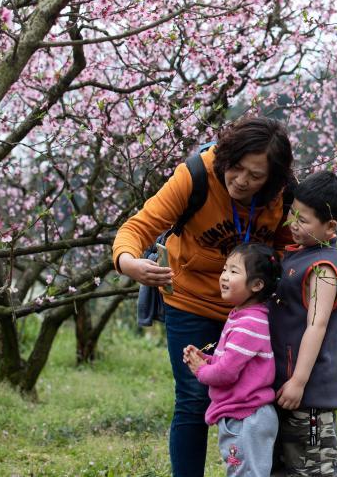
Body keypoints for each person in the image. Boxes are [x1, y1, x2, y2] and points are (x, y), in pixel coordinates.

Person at [112, 116, 294, 477]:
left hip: (253, 311)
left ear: (272, 179)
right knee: (194, 400)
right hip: (191, 302)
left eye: (255, 176)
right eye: (236, 168)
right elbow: (138, 227)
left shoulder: (282, 196)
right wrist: (128, 262)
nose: (241, 181)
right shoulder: (196, 176)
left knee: (260, 398)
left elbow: (290, 247)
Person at [268, 171, 337, 477]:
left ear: (330, 227)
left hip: (309, 396)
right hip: (285, 387)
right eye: (292, 213)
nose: (292, 223)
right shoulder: (299, 255)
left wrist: (299, 381)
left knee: (312, 467)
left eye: (302, 220)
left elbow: (317, 325)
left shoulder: (323, 268)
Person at [184, 243, 282, 476]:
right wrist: (207, 360)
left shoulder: (248, 323)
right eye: (225, 269)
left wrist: (201, 370)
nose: (224, 276)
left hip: (246, 418)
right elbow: (233, 362)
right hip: (243, 416)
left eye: (234, 271)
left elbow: (226, 373)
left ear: (257, 285)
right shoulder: (243, 316)